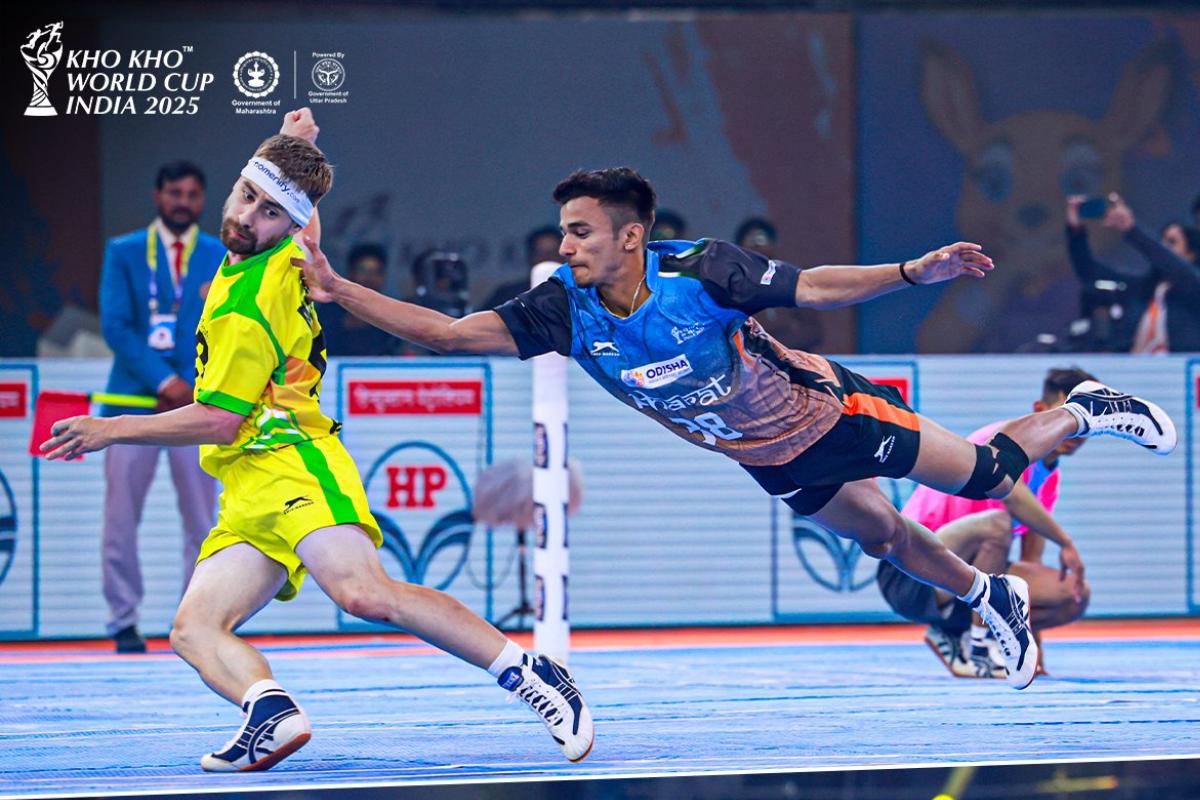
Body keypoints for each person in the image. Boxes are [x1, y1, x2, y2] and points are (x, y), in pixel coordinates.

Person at [294, 166, 1177, 694]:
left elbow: (819, 287)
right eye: (564, 233)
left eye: (582, 233)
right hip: (764, 460)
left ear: (632, 235)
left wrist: (915, 270)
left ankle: (1086, 409)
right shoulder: (560, 311)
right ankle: (994, 603)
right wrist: (338, 291)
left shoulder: (703, 270)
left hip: (829, 416)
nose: (567, 247)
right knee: (887, 538)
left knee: (983, 477)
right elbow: (449, 335)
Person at [42, 109, 593, 772]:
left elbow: (217, 418)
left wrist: (112, 429)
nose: (249, 217)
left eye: (270, 213)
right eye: (247, 197)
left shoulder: (263, 290)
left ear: (287, 224)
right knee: (193, 628)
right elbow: (295, 207)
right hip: (246, 488)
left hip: (295, 464)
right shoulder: (259, 243)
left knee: (363, 594)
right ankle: (267, 710)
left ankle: (531, 672)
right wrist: (293, 145)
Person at [878, 367, 1096, 679]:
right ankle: (978, 647)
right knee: (997, 525)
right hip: (908, 570)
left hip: (963, 575)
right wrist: (1066, 542)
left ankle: (957, 634)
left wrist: (1033, 655)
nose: (1074, 433)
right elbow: (1012, 498)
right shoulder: (1003, 441)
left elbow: (1029, 566)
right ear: (1040, 411)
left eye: (1081, 423)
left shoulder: (1049, 478)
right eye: (1066, 418)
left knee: (1073, 594)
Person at [97, 160, 224, 653]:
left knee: (202, 518)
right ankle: (122, 619)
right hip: (132, 400)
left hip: (196, 405)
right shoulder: (124, 252)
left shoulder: (219, 254)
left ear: (202, 200)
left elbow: (226, 326)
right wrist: (166, 379)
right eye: (175, 192)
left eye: (193, 194)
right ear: (158, 195)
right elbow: (116, 326)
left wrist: (192, 385)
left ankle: (194, 620)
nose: (183, 202)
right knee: (120, 518)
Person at [1066, 193, 1200, 353]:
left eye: (1172, 242)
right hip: (1135, 372)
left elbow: (1178, 270)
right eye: (1162, 242)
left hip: (1181, 372)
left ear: (1192, 253)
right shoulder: (1143, 288)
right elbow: (1090, 272)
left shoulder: (1193, 287)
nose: (1164, 248)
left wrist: (1131, 229)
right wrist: (1075, 231)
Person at [734, 216, 822, 351]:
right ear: (738, 248)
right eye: (750, 242)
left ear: (774, 244)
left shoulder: (791, 279)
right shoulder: (732, 284)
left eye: (761, 240)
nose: (757, 247)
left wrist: (776, 344)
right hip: (750, 362)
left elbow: (813, 332)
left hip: (793, 361)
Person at [319, 243, 396, 356]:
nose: (370, 278)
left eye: (376, 272)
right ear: (350, 273)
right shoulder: (330, 309)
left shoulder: (392, 312)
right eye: (363, 270)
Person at [482, 225, 562, 310]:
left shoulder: (575, 295)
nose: (547, 258)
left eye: (553, 253)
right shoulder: (507, 295)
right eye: (539, 254)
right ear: (529, 257)